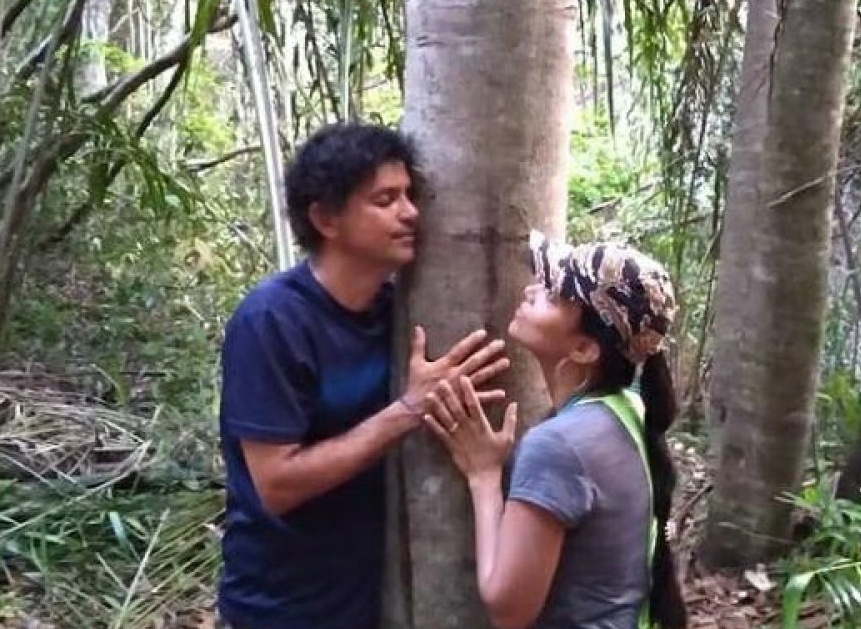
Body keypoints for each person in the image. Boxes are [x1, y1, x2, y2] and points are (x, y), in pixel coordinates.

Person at [217, 122, 508, 629]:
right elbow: (276, 484)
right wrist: (407, 410)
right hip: (280, 609)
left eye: (409, 195)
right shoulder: (272, 321)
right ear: (326, 218)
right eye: (385, 199)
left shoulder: (400, 313)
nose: (411, 212)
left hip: (375, 602)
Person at [424, 232, 688, 629]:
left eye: (552, 295)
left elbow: (508, 611)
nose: (531, 291)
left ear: (584, 349)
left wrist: (483, 476)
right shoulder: (627, 408)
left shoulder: (559, 445)